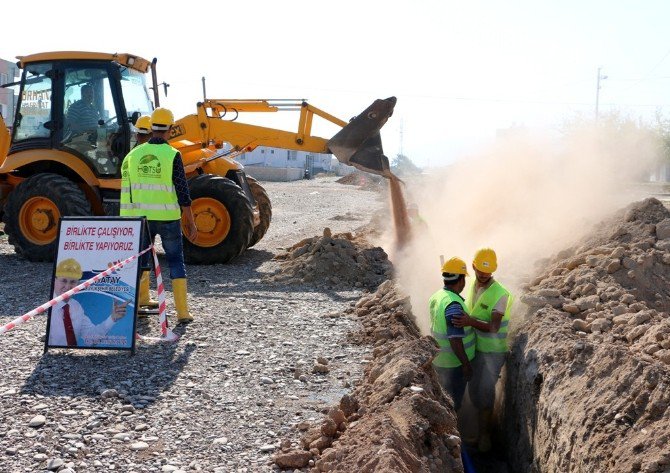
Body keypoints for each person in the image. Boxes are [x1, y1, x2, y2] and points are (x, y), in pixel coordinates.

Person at [120, 107, 198, 323]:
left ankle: (137, 303)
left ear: (151, 127)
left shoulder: (133, 155)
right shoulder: (172, 154)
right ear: (171, 129)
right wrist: (189, 219)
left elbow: (128, 190)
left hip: (141, 218)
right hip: (168, 218)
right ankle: (182, 312)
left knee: (141, 260)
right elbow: (182, 190)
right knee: (175, 261)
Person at [453, 247, 512, 452]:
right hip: (476, 349)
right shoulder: (474, 285)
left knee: (486, 390)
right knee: (475, 390)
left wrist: (469, 321)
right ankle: (478, 433)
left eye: (488, 272)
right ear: (474, 267)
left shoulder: (500, 294)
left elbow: (494, 327)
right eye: (481, 270)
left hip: (493, 352)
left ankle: (486, 436)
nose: (484, 274)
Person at [428, 257, 476, 412]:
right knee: (454, 404)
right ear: (461, 279)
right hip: (454, 364)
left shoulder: (437, 296)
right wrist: (466, 364)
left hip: (439, 360)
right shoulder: (453, 304)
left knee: (445, 401)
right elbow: (455, 339)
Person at [48, 258, 129, 347]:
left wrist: (112, 318)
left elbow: (91, 337)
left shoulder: (76, 307)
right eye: (63, 281)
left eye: (73, 282)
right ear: (54, 280)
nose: (67, 287)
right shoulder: (49, 307)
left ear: (78, 284)